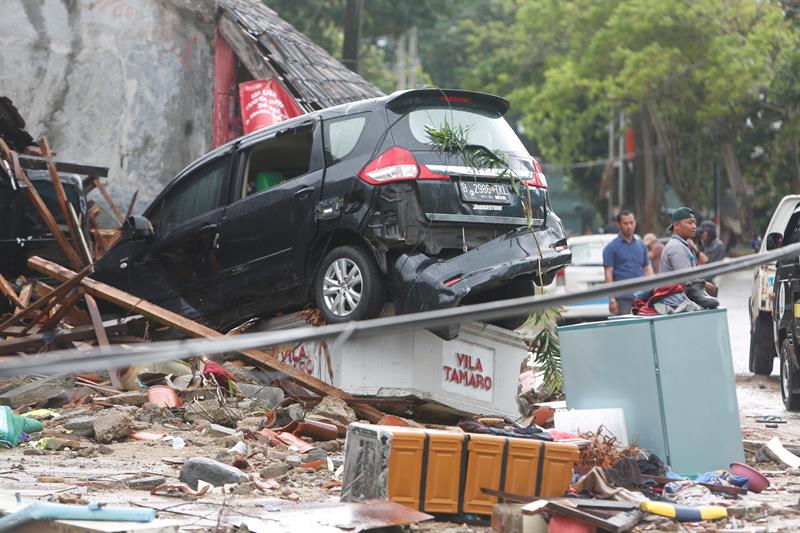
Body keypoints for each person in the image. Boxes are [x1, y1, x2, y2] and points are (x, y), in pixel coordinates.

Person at [657, 207, 717, 311]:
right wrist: (707, 286)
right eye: (689, 223)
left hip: (679, 301)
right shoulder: (677, 247)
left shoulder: (682, 244)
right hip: (675, 304)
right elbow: (687, 281)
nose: (694, 226)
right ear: (676, 225)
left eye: (694, 222)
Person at [602, 210, 653, 315]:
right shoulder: (611, 248)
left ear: (635, 222)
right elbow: (608, 273)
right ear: (619, 224)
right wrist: (612, 299)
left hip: (642, 296)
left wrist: (653, 291)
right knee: (624, 328)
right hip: (622, 298)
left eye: (632, 222)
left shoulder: (641, 245)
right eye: (625, 223)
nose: (629, 226)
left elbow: (647, 270)